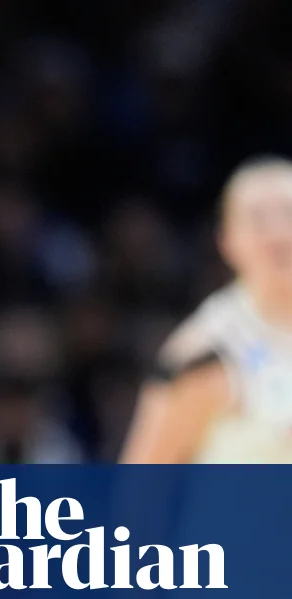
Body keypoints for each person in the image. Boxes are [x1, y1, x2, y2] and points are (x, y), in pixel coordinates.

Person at [121, 155, 292, 464]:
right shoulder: (202, 352)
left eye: (288, 214)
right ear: (226, 240)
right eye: (258, 220)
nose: (278, 234)